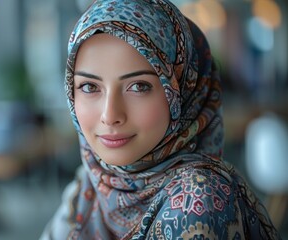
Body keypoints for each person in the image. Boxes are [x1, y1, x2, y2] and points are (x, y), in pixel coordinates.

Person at [41, 0, 281, 239]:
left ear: (183, 90)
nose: (110, 115)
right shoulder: (89, 183)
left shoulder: (196, 199)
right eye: (89, 86)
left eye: (138, 86)